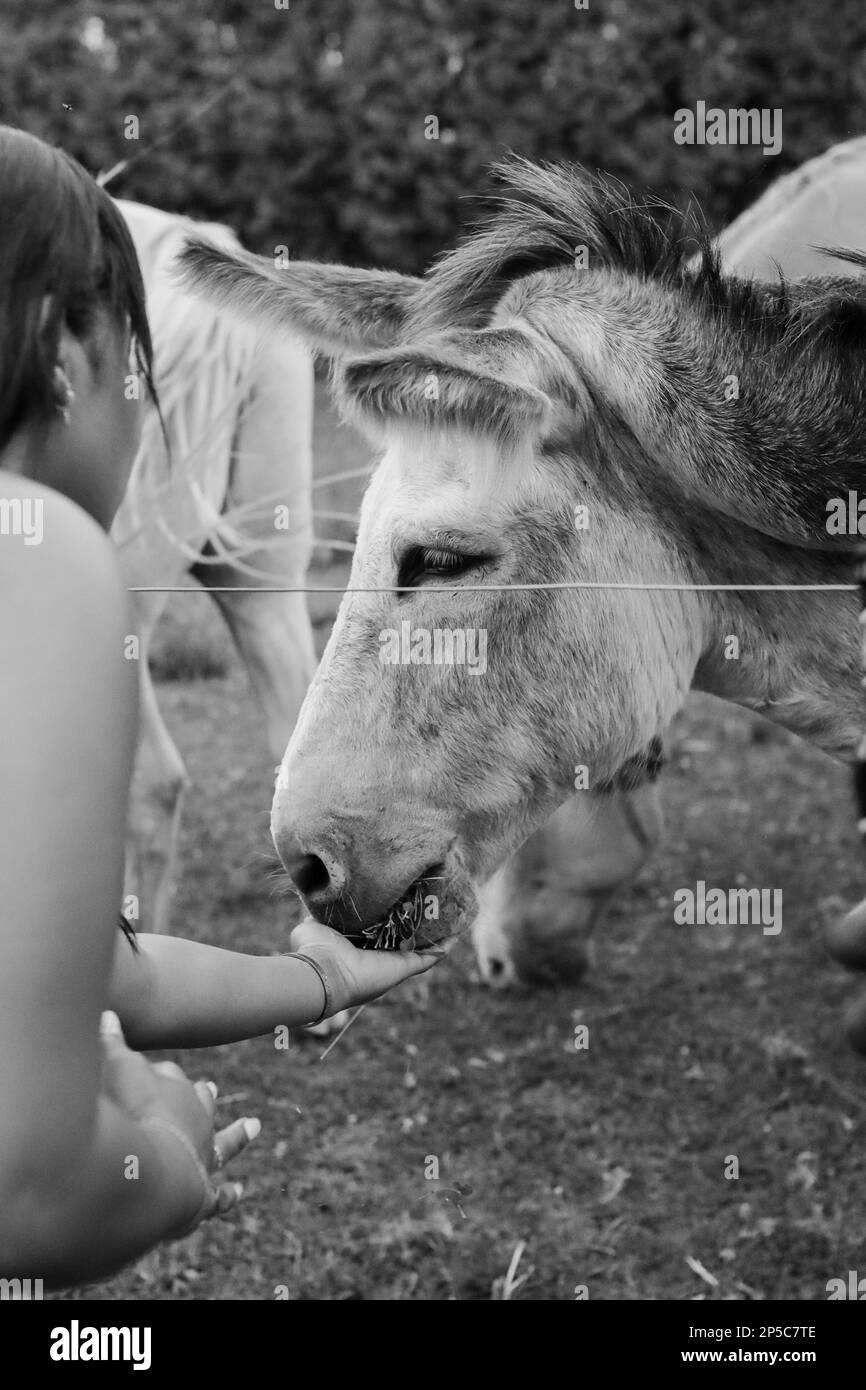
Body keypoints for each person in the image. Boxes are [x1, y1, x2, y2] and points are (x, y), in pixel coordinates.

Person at [0, 125, 444, 1289]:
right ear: (64, 349)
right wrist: (165, 1155)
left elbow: (119, 978)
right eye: (138, 362)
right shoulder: (35, 550)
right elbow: (35, 1193)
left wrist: (322, 975)